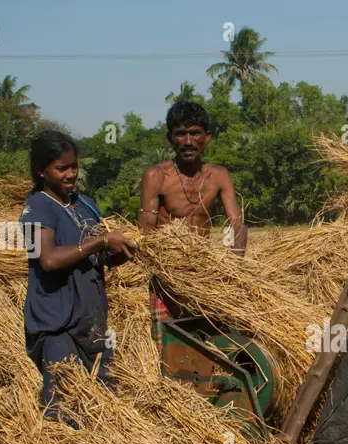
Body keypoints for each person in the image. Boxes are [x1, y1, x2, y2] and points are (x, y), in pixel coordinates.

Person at [21, 130, 139, 416]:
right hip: (56, 323)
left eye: (74, 166)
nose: (71, 174)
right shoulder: (37, 208)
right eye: (61, 168)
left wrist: (126, 248)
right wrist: (101, 241)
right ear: (41, 171)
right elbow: (47, 259)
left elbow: (102, 258)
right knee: (66, 406)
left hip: (92, 322)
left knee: (105, 405)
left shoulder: (85, 204)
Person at [137, 100, 246, 352]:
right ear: (169, 137)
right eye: (180, 134)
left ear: (207, 137)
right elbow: (145, 233)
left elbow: (236, 224)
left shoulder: (218, 176)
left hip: (203, 274)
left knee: (211, 345)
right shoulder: (156, 176)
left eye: (195, 133)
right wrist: (168, 272)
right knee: (167, 350)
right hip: (167, 277)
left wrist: (233, 269)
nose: (188, 141)